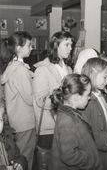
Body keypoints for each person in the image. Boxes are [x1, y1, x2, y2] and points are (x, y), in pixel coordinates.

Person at [49, 74, 102, 170]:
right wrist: (89, 158)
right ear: (77, 97)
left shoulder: (70, 114)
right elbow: (68, 155)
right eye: (88, 94)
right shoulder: (66, 120)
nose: (89, 98)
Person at [0, 32, 36, 170]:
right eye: (29, 45)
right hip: (25, 122)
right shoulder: (20, 70)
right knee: (25, 161)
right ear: (19, 48)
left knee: (18, 160)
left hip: (16, 120)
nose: (31, 48)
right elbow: (29, 98)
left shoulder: (11, 66)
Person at [33, 31, 73, 151]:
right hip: (50, 128)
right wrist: (63, 97)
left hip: (67, 125)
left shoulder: (69, 69)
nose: (70, 48)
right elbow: (41, 100)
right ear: (56, 45)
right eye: (67, 45)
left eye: (71, 45)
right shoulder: (42, 70)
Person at [81, 58, 107, 170]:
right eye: (105, 77)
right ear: (93, 74)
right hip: (97, 154)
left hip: (105, 151)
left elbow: (105, 123)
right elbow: (87, 133)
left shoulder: (100, 95)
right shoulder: (86, 101)